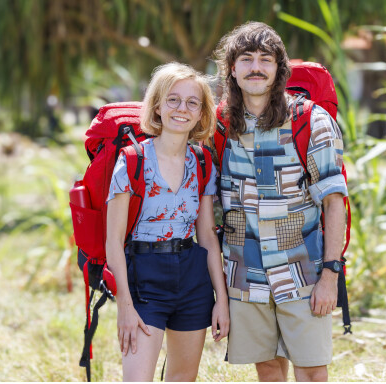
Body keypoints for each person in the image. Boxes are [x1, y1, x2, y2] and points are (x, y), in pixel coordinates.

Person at [213, 22, 348, 381]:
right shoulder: (219, 125)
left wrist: (330, 277)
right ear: (232, 68)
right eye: (246, 58)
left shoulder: (310, 121)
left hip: (303, 271)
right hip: (244, 274)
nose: (255, 67)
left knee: (311, 368)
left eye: (265, 59)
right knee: (269, 367)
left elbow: (335, 204)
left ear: (279, 69)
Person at [105, 62, 229, 382]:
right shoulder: (132, 161)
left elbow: (207, 237)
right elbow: (113, 241)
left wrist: (222, 301)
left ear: (202, 113)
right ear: (157, 106)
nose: (182, 109)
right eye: (173, 99)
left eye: (192, 102)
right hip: (145, 276)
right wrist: (124, 306)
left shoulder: (202, 162)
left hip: (192, 277)